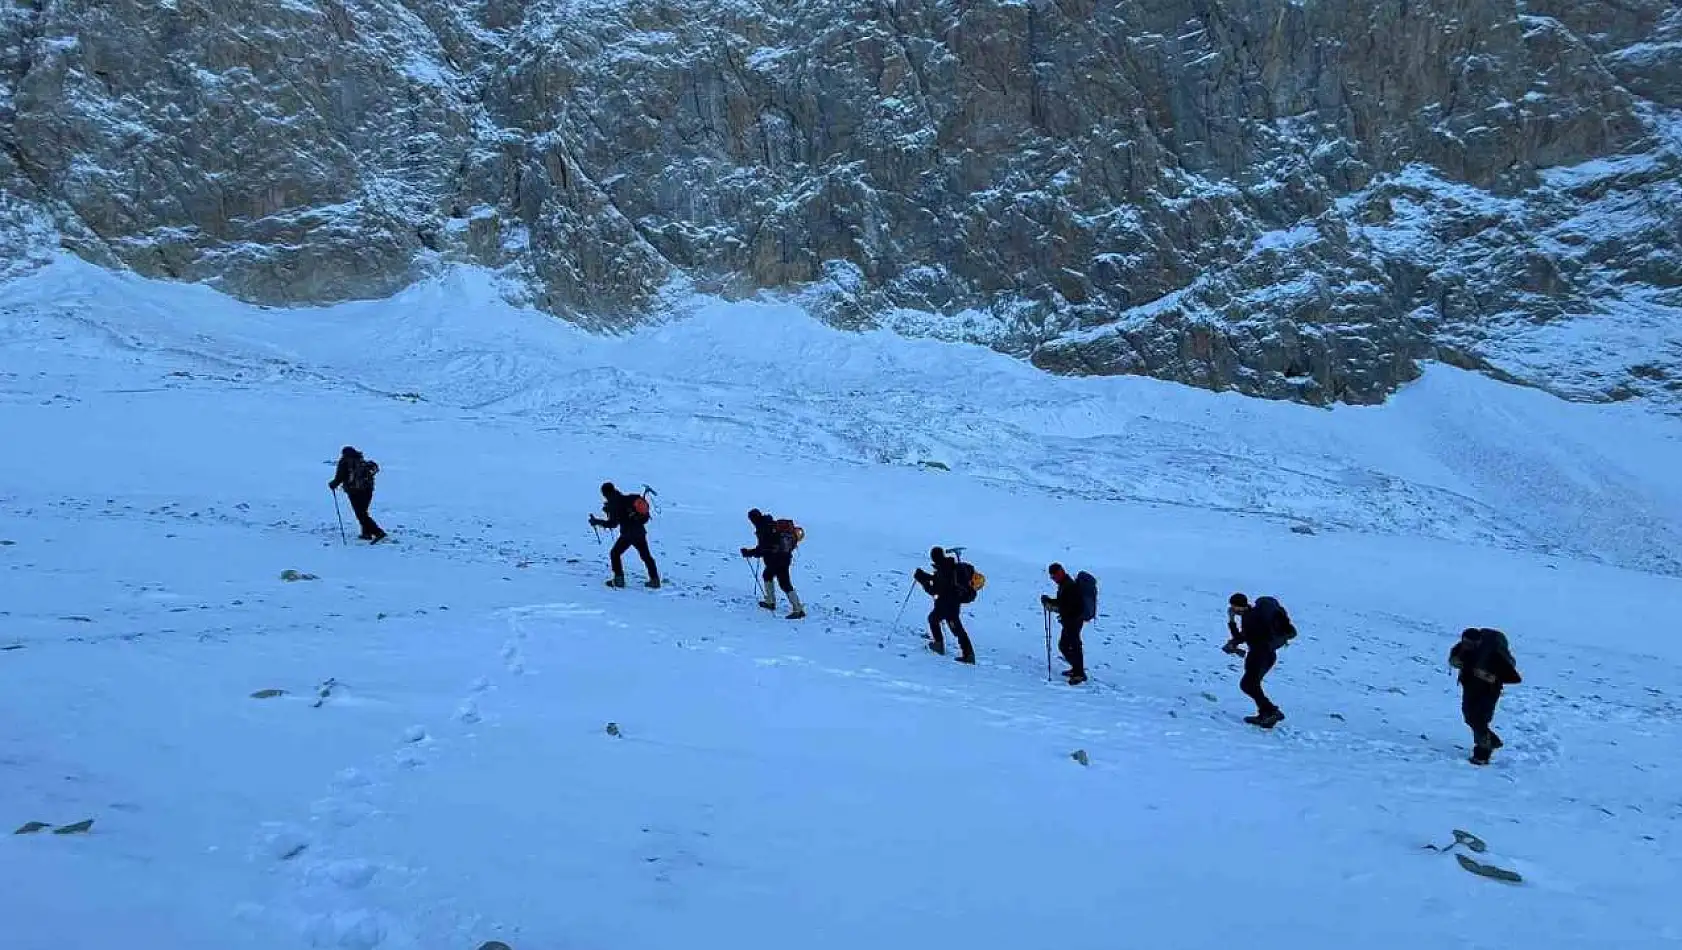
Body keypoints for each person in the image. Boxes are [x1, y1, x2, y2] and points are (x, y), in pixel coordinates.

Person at [1449, 627, 1522, 765]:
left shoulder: (1494, 654)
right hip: (1470, 686)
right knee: (1469, 717)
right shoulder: (1463, 647)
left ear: (1479, 641)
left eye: (1471, 644)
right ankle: (1491, 742)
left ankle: (1482, 754)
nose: (1467, 646)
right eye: (1465, 643)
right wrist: (1457, 662)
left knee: (1480, 719)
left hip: (1489, 691)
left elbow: (1513, 677)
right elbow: (1453, 658)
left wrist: (1487, 676)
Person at [1223, 592, 1292, 728]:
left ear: (1238, 606)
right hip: (1267, 655)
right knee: (1251, 684)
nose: (1233, 610)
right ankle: (1266, 715)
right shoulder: (1253, 615)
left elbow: (1243, 637)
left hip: (1259, 655)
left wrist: (1231, 621)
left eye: (1233, 607)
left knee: (1248, 685)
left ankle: (1272, 712)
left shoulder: (1250, 618)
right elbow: (1245, 636)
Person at [588, 482, 660, 589]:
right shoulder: (627, 498)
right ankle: (655, 580)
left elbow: (612, 524)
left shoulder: (614, 503)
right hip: (640, 532)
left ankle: (619, 580)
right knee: (646, 556)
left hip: (628, 534)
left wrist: (597, 521)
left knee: (615, 553)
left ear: (604, 493)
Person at [740, 508, 805, 620]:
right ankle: (790, 606)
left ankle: (779, 604)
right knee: (776, 579)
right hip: (784, 558)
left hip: (776, 559)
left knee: (776, 579)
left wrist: (748, 553)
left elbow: (763, 548)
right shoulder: (770, 523)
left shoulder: (763, 528)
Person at [914, 547, 974, 664]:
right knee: (934, 619)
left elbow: (934, 589)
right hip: (949, 603)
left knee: (955, 628)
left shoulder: (943, 569)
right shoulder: (947, 565)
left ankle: (967, 655)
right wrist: (925, 577)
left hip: (948, 605)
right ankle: (941, 645)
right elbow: (937, 580)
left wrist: (923, 581)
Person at [1041, 563, 1087, 685]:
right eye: (1052, 578)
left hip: (1074, 620)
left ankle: (1079, 673)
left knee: (1072, 645)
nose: (1054, 580)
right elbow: (1063, 603)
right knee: (1066, 645)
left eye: (1054, 577)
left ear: (1061, 572)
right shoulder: (1064, 585)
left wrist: (1051, 606)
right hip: (1070, 621)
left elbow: (1067, 607)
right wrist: (1050, 601)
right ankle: (1077, 670)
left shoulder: (1069, 586)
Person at [327, 446, 385, 542]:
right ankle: (366, 533)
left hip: (354, 491)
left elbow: (340, 477)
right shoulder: (360, 460)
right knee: (363, 512)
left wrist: (333, 484)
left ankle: (378, 532)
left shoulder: (344, 462)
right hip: (368, 489)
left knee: (360, 513)